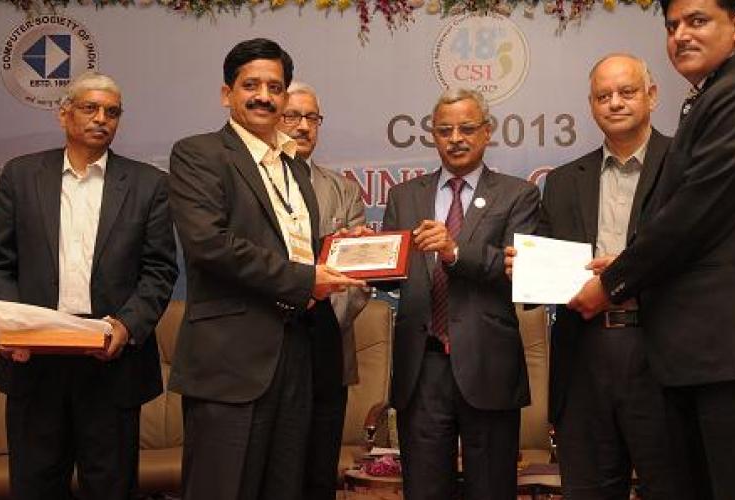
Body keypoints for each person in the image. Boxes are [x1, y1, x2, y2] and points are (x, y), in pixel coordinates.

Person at [571, 1, 735, 498]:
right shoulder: (712, 96)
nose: (681, 34)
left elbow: (695, 214)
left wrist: (613, 282)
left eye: (697, 21)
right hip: (709, 357)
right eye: (672, 25)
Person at [167, 38, 364, 500]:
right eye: (251, 84)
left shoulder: (293, 168)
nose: (264, 95)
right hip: (230, 363)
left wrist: (341, 252)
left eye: (275, 87)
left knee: (285, 487)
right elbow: (209, 244)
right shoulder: (200, 154)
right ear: (226, 93)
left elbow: (292, 248)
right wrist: (306, 278)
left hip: (296, 355)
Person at [0, 71, 178, 500]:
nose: (101, 119)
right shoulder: (21, 175)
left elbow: (159, 271)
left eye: (112, 112)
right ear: (64, 114)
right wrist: (12, 327)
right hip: (33, 360)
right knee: (34, 487)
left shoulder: (148, 184)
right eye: (90, 108)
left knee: (110, 489)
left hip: (110, 361)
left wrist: (125, 328)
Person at [508, 54, 676, 500]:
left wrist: (623, 272)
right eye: (604, 96)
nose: (615, 103)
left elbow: (698, 252)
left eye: (627, 92)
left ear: (652, 96)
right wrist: (524, 267)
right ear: (591, 104)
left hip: (661, 351)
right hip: (583, 355)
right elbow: (544, 258)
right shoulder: (563, 180)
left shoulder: (686, 165)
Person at [378, 88, 539, 500]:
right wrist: (364, 253)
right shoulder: (404, 196)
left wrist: (453, 251)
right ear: (432, 135)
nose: (456, 138)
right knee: (425, 489)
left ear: (487, 132)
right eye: (445, 129)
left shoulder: (518, 194)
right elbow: (390, 276)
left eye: (467, 128)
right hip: (423, 365)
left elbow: (516, 273)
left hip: (488, 364)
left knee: (491, 487)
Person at [277, 81, 371, 500]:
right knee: (275, 470)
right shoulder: (254, 182)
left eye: (311, 118)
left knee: (319, 472)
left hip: (327, 338)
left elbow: (358, 280)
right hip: (271, 340)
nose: (303, 127)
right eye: (292, 116)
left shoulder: (343, 190)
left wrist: (325, 311)